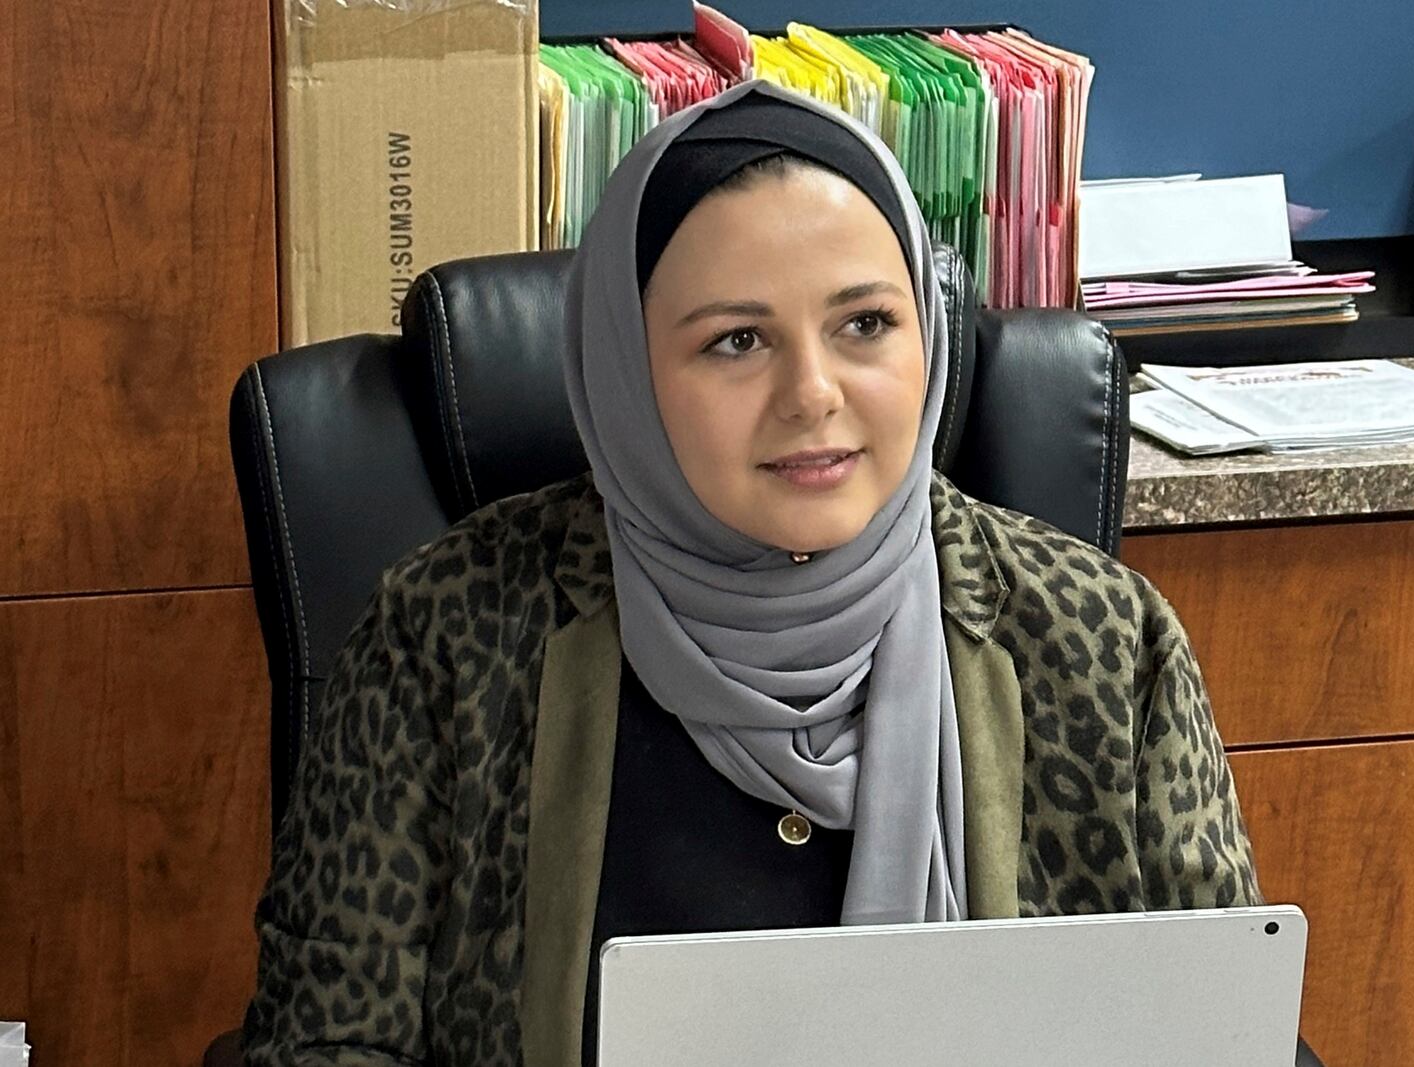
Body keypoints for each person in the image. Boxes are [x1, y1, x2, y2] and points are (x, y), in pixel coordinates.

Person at [243, 81, 1260, 1067]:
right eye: (736, 341)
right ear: (626, 371)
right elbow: (328, 1040)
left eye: (865, 323)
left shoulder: (1099, 637)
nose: (811, 394)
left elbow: (1218, 1026)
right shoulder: (446, 633)